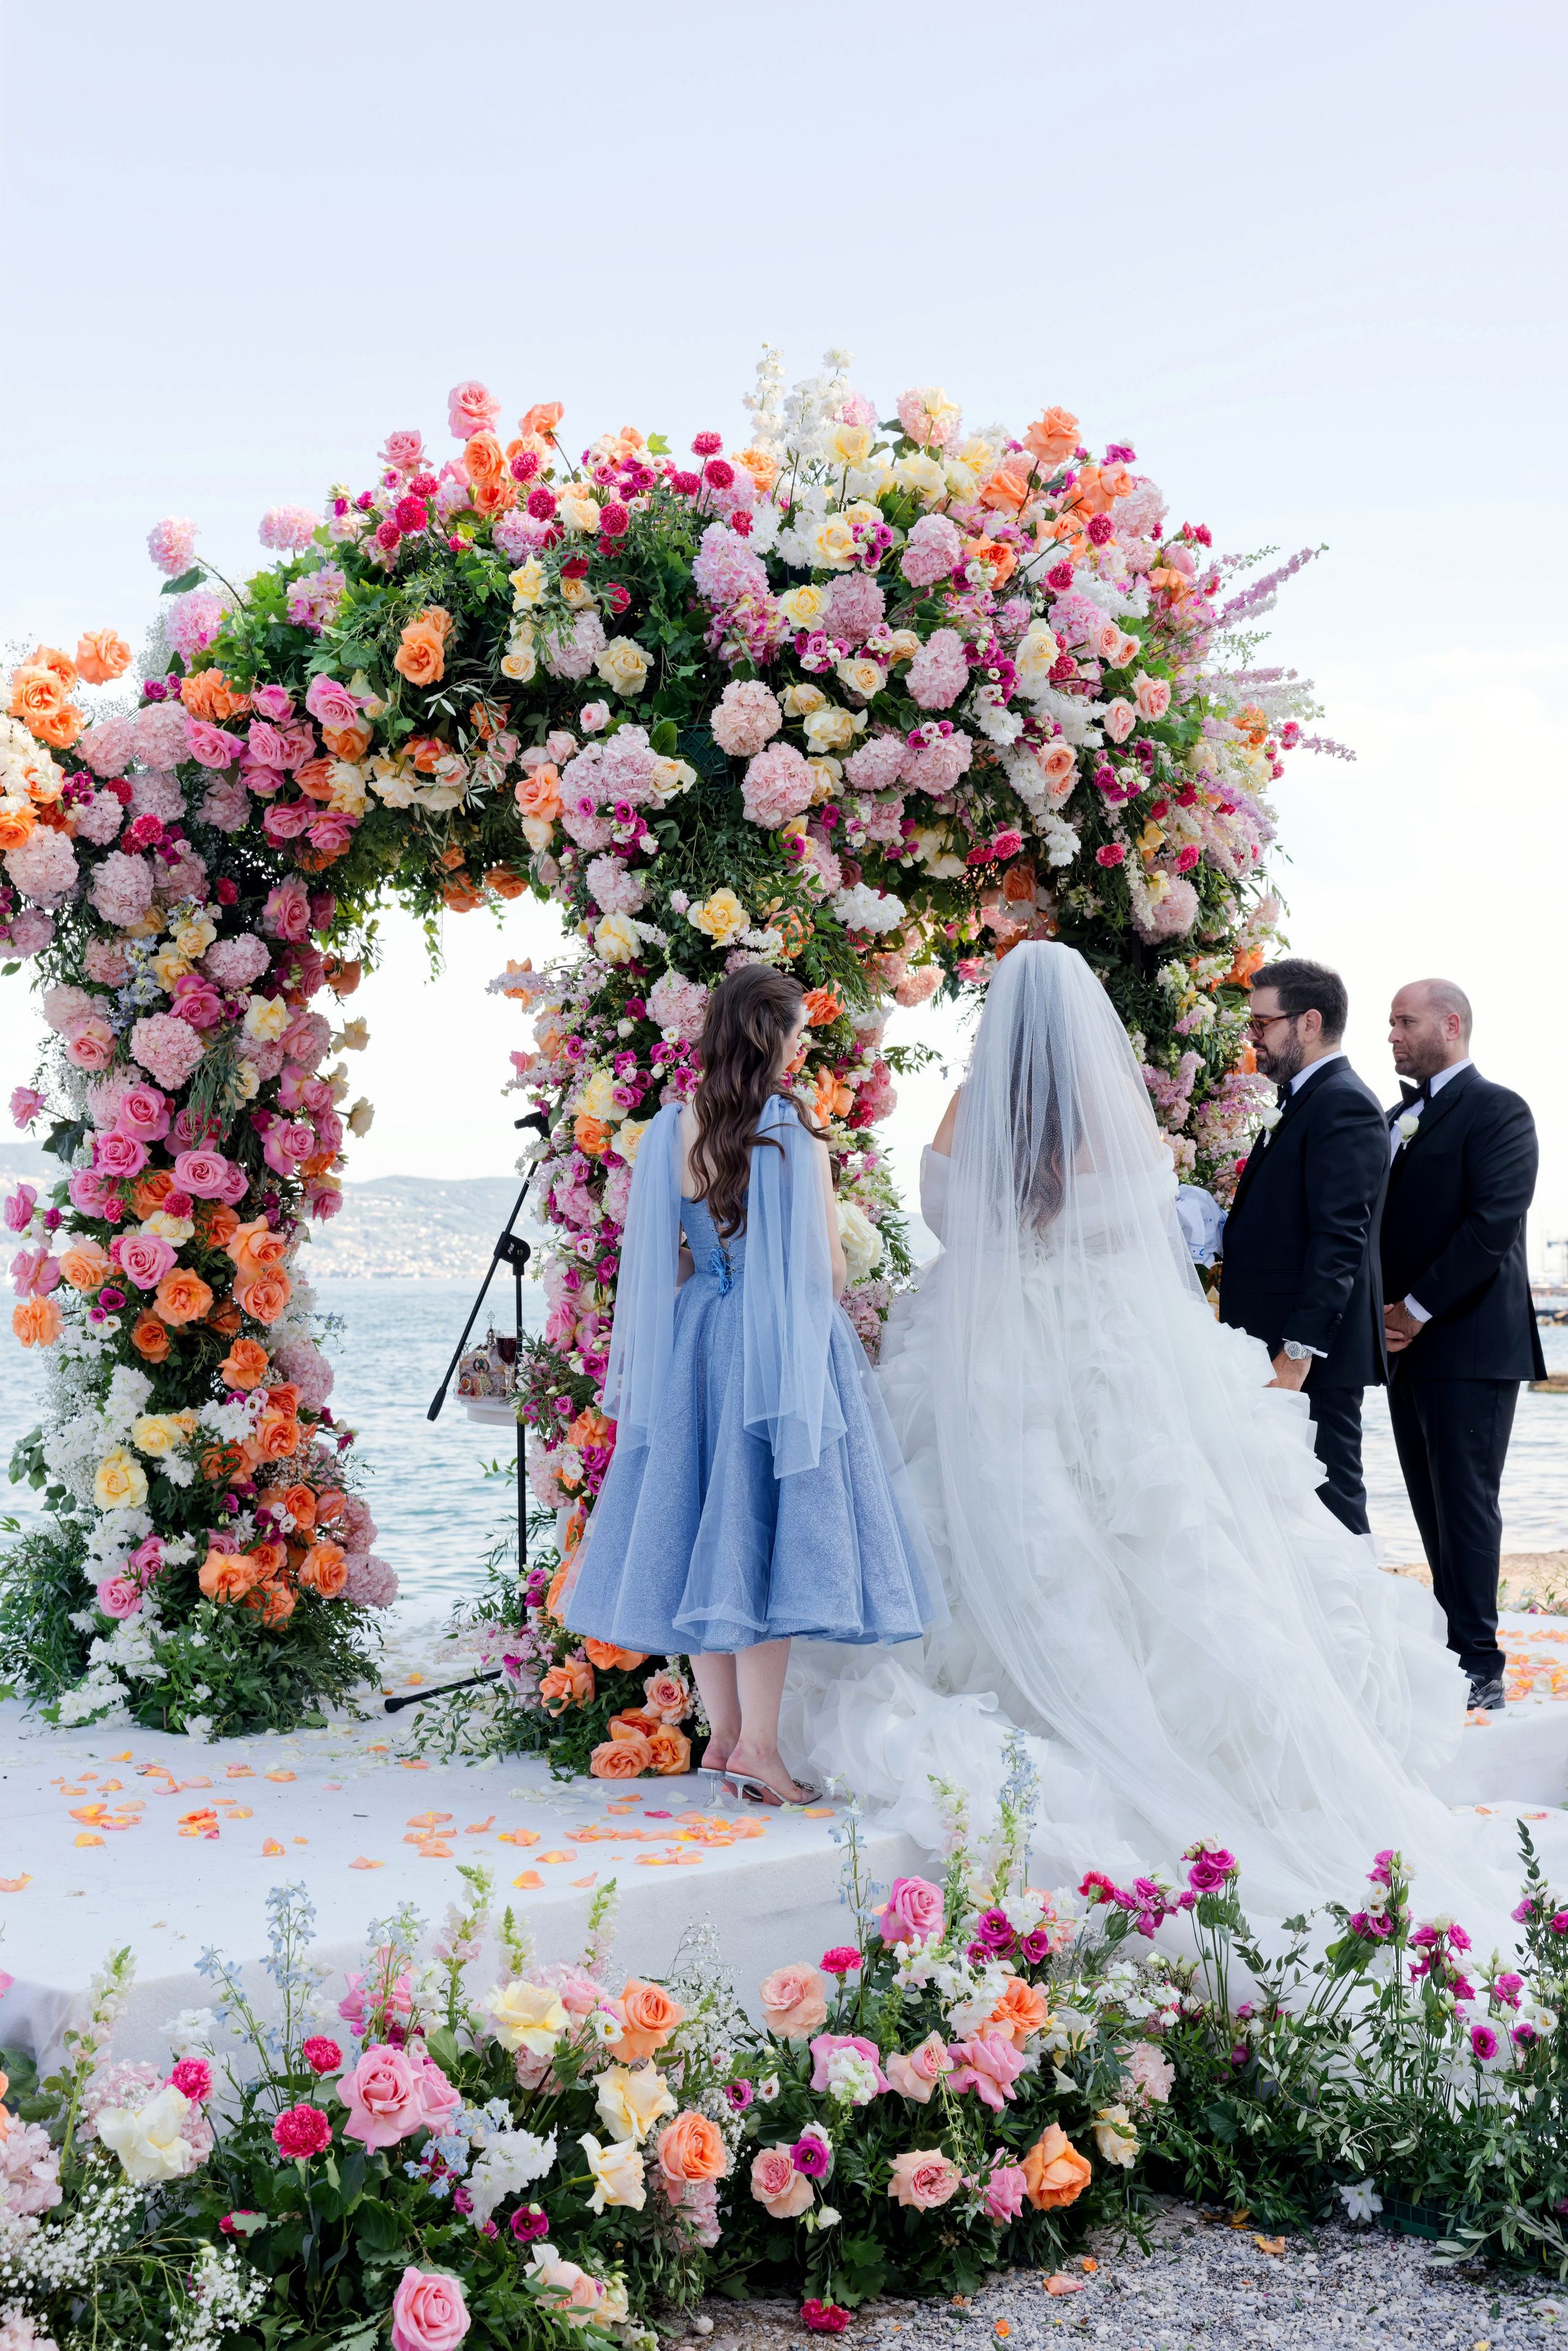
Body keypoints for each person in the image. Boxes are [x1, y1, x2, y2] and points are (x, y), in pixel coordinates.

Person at [780, 942, 1493, 1922]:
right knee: (1162, 1524)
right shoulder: (1118, 1116)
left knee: (994, 1511)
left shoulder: (973, 1106)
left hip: (990, 1338)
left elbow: (951, 1218)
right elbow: (1152, 1229)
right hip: (1111, 1342)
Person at [560, 962, 943, 1805]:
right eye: (799, 1029)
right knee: (761, 1539)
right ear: (773, 1036)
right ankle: (761, 1749)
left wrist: (716, 1280)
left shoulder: (669, 1128)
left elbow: (671, 1259)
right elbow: (822, 1266)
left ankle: (724, 1737)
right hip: (776, 1345)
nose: (805, 1043)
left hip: (697, 1338)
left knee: (707, 1523)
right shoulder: (790, 1127)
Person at [1380, 978, 1546, 1711]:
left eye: (1405, 1021)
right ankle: (1452, 1651)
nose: (1391, 1035)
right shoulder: (1392, 1118)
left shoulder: (1499, 1110)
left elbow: (1492, 1225)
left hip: (1471, 1341)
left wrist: (1414, 1309)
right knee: (1428, 1504)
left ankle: (1479, 1664)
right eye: (1389, 1022)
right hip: (1400, 1346)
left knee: (1467, 1502)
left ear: (1451, 1024)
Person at [1216, 958, 1389, 1538]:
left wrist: (1296, 1353)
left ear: (1308, 1022)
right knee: (1289, 1511)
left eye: (1262, 1025)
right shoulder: (1306, 1100)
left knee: (1331, 1505)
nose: (1253, 1039)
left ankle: (1360, 1630)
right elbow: (1288, 1221)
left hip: (1309, 1355)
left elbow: (1341, 1240)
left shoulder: (1343, 1103)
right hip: (1275, 1340)